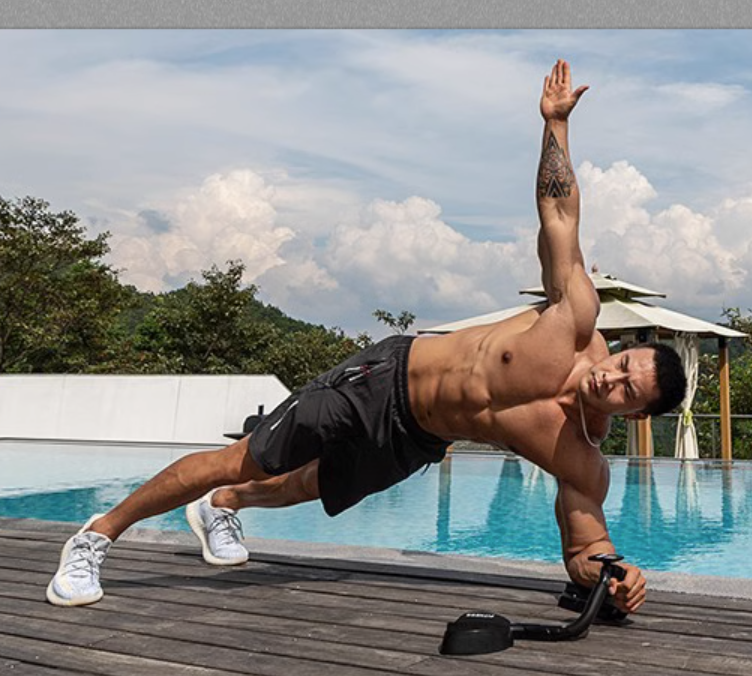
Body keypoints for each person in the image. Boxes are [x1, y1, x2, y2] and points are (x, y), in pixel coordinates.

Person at [47, 60, 686, 615]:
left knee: (310, 485)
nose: (611, 377)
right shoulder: (573, 318)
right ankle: (96, 536)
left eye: (627, 390)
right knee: (246, 457)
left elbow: (584, 548)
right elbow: (560, 213)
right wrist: (556, 124)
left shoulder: (581, 459)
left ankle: (222, 506)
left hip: (419, 436)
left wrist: (613, 576)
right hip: (385, 380)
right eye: (623, 363)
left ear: (635, 416)